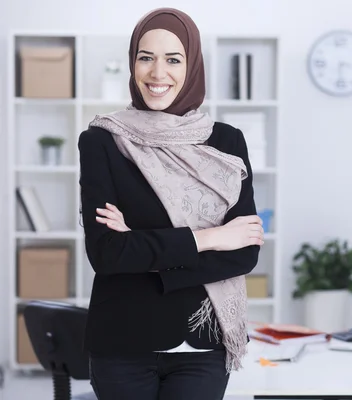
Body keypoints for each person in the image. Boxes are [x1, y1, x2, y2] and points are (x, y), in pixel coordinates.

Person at [78, 7, 264, 400]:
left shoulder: (226, 142)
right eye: (146, 57)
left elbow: (245, 252)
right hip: (123, 346)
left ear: (192, 64)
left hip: (203, 346)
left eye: (173, 59)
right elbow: (107, 254)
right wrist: (211, 237)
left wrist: (144, 247)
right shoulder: (102, 141)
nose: (157, 73)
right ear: (133, 64)